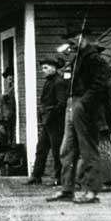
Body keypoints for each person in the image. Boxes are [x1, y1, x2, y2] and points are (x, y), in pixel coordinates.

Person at [46, 26, 111, 204]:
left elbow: (100, 85)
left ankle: (91, 191)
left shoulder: (94, 59)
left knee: (88, 150)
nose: (71, 41)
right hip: (72, 105)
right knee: (67, 150)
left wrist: (84, 103)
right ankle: (67, 189)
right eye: (70, 37)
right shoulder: (76, 59)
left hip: (84, 106)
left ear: (84, 37)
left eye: (74, 37)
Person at [27, 57, 68, 185]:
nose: (43, 71)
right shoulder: (49, 82)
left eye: (46, 68)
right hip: (48, 122)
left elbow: (62, 103)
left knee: (57, 151)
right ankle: (36, 175)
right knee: (41, 148)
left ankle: (60, 178)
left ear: (54, 68)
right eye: (42, 68)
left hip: (56, 123)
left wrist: (50, 116)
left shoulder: (59, 82)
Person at [0, 66, 16, 151]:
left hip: (10, 116)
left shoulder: (14, 89)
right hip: (4, 117)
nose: (9, 77)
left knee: (9, 135)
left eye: (11, 75)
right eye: (8, 76)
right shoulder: (8, 89)